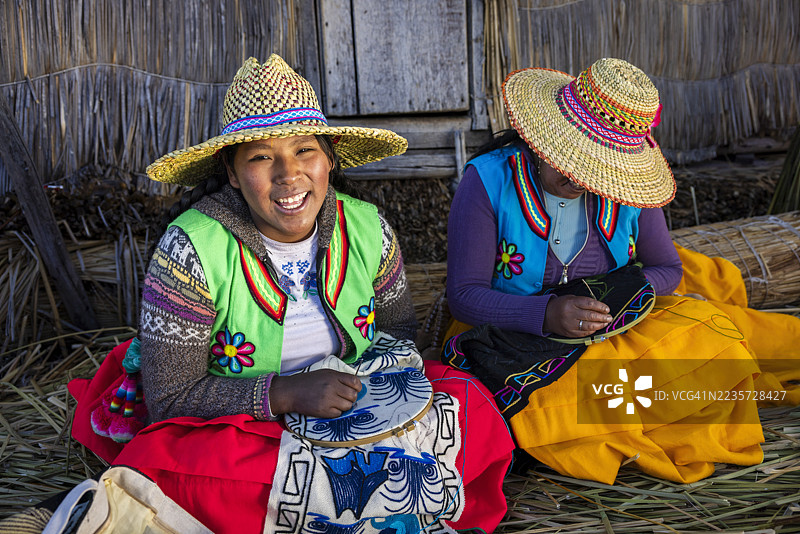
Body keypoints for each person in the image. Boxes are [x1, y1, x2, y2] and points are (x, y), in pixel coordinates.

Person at [67, 55, 514, 533]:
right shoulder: (191, 247)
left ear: (330, 158)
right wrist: (286, 394)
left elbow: (397, 336)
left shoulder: (367, 228)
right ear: (233, 172)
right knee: (170, 463)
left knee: (474, 409)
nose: (289, 174)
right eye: (261, 157)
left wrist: (376, 402)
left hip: (354, 400)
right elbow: (171, 398)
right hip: (248, 427)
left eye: (305, 151)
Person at [444, 57, 800, 485]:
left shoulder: (626, 188)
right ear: (541, 138)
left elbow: (667, 267)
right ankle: (638, 415)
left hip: (615, 330)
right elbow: (464, 295)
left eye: (596, 168)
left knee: (718, 335)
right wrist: (546, 314)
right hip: (513, 338)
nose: (579, 178)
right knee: (567, 407)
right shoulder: (487, 181)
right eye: (568, 160)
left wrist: (620, 295)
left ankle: (650, 408)